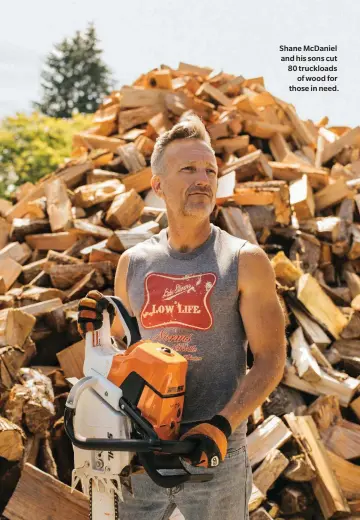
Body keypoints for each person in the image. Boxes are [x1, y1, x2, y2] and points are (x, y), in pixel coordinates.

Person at [77, 114, 287, 520]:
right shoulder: (133, 263)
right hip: (141, 449)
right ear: (157, 185)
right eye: (188, 169)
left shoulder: (244, 260)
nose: (203, 178)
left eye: (210, 170)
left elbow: (270, 359)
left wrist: (222, 427)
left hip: (215, 456)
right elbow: (125, 344)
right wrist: (96, 322)